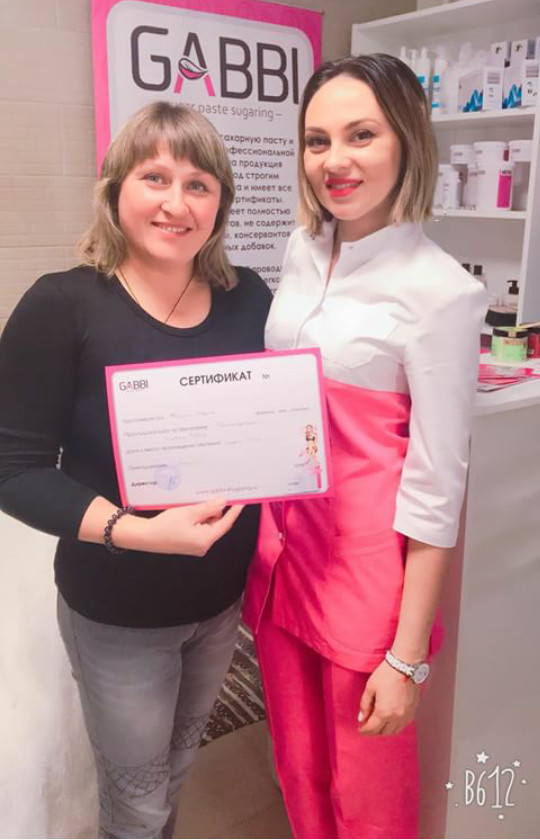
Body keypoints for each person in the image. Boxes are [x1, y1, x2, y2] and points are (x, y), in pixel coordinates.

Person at [0, 101, 272, 840]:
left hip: (220, 601)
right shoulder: (62, 306)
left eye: (198, 184)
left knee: (176, 769)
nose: (176, 203)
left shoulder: (248, 298)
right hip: (118, 610)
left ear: (219, 204)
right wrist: (140, 533)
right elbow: (14, 470)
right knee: (137, 802)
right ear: (116, 187)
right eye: (155, 177)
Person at [244, 54, 487, 840]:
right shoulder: (302, 250)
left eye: (360, 135)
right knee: (298, 770)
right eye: (317, 140)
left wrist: (407, 656)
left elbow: (437, 487)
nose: (334, 161)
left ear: (407, 141)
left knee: (368, 801)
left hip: (366, 587)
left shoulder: (442, 292)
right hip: (283, 560)